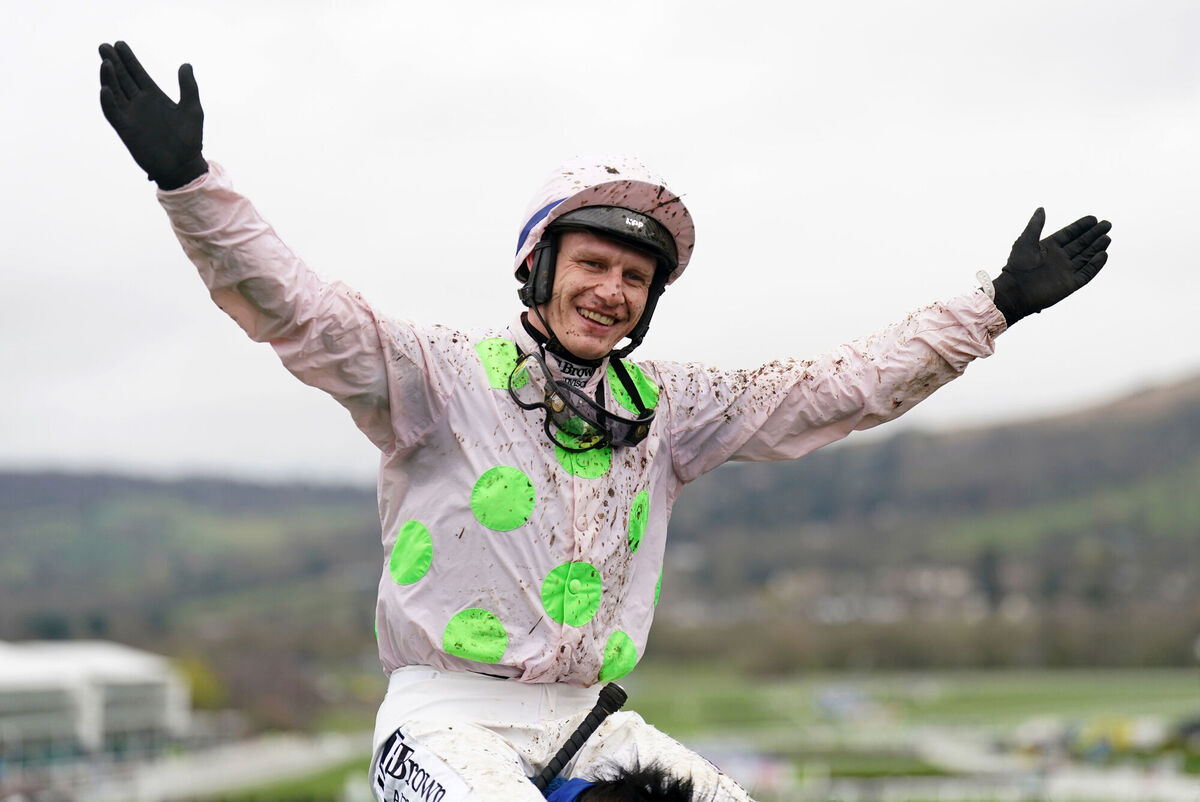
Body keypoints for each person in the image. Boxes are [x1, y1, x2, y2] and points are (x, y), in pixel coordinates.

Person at [98, 41, 1111, 802]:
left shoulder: (670, 408)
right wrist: (190, 185)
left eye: (635, 276)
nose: (612, 290)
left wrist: (993, 307)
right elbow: (298, 309)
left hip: (590, 719)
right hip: (442, 716)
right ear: (538, 266)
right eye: (591, 263)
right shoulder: (434, 373)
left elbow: (836, 388)